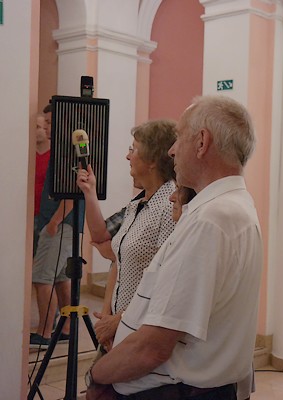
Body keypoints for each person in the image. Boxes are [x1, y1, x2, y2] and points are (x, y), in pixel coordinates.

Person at [86, 95, 263, 400]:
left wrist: (97, 376)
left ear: (202, 142)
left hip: (175, 390)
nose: (172, 150)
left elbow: (153, 346)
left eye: (180, 137)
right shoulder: (230, 207)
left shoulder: (210, 219)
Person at [76, 120, 177, 350]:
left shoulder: (170, 206)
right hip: (118, 324)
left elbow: (165, 282)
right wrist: (106, 315)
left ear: (152, 160)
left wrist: (119, 320)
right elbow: (117, 261)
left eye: (134, 149)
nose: (128, 156)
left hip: (141, 330)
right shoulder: (137, 204)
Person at [30, 103, 73, 348]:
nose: (45, 127)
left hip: (58, 223)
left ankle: (44, 332)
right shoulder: (62, 151)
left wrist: (54, 222)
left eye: (48, 122)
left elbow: (71, 194)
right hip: (60, 223)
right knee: (60, 277)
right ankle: (66, 328)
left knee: (42, 277)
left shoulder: (64, 154)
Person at [33, 110, 51, 255]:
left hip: (45, 214)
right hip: (29, 213)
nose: (36, 131)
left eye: (38, 127)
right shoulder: (28, 154)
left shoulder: (53, 155)